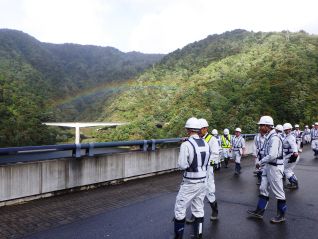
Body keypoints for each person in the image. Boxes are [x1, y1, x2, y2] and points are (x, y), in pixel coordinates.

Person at [173, 117, 211, 239]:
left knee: (180, 208)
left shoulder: (186, 145)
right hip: (203, 181)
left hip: (190, 182)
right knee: (198, 208)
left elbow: (182, 165)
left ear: (188, 130)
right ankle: (198, 235)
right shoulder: (206, 143)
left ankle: (178, 236)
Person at [247, 116, 286, 223]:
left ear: (267, 126)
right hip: (268, 166)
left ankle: (281, 215)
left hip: (275, 167)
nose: (259, 127)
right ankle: (259, 211)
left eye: (261, 125)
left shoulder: (275, 138)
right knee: (263, 187)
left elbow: (272, 155)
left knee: (279, 192)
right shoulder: (269, 136)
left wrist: (260, 162)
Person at [186, 119, 219, 224]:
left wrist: (205, 161)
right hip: (197, 169)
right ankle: (195, 214)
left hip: (207, 169)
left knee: (209, 191)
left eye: (200, 129)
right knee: (196, 191)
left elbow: (215, 154)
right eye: (197, 129)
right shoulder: (196, 139)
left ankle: (215, 210)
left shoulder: (212, 139)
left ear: (206, 128)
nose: (199, 131)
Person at [282, 123, 299, 189]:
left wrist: (295, 152)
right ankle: (294, 182)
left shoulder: (290, 137)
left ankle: (294, 184)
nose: (287, 131)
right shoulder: (287, 136)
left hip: (291, 155)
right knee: (289, 170)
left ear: (290, 129)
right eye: (285, 129)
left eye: (288, 129)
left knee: (286, 170)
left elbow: (293, 145)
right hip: (289, 155)